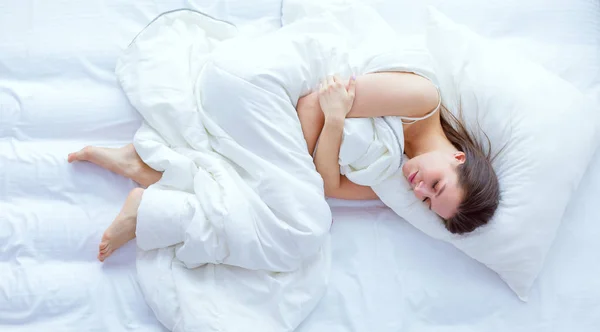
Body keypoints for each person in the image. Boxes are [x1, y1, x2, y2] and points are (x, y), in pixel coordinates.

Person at [68, 72, 499, 261]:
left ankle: (142, 175)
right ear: (458, 158)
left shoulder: (398, 180)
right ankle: (147, 197)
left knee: (284, 214)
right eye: (437, 186)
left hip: (298, 137)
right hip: (275, 104)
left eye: (426, 202)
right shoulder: (420, 100)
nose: (419, 190)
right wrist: (321, 140)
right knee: (299, 229)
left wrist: (333, 125)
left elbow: (330, 182)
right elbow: (315, 101)